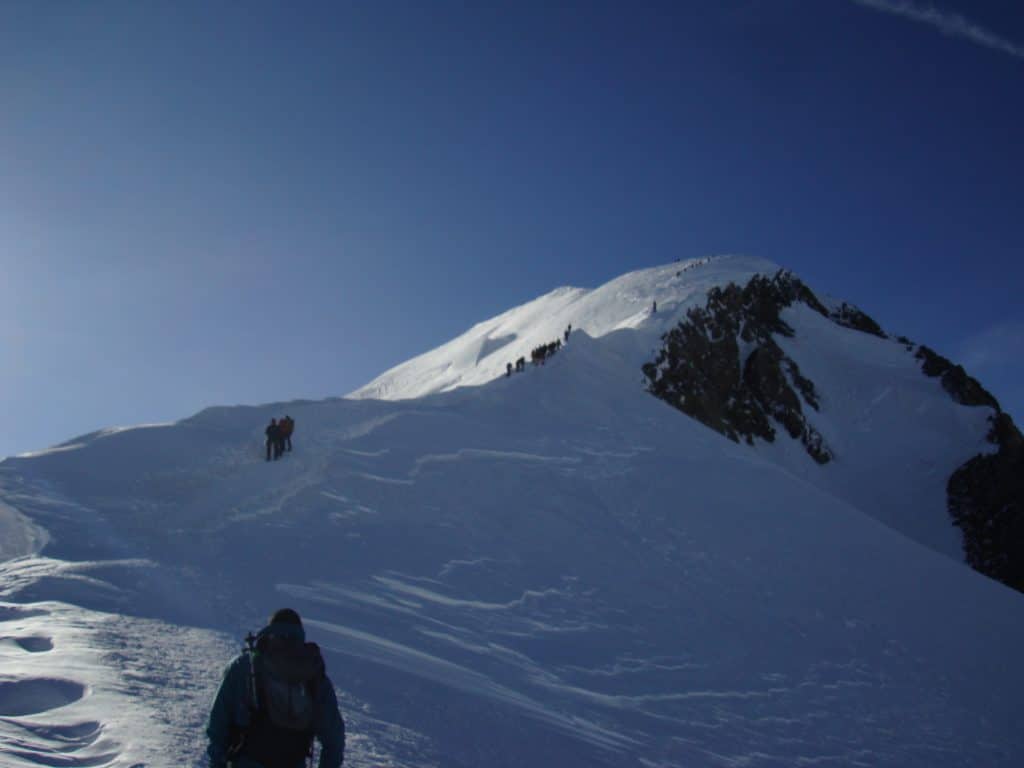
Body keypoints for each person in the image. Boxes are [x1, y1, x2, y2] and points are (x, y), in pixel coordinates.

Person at [206, 608, 346, 768]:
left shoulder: (245, 665)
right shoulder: (313, 673)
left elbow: (218, 721)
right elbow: (334, 739)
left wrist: (217, 761)